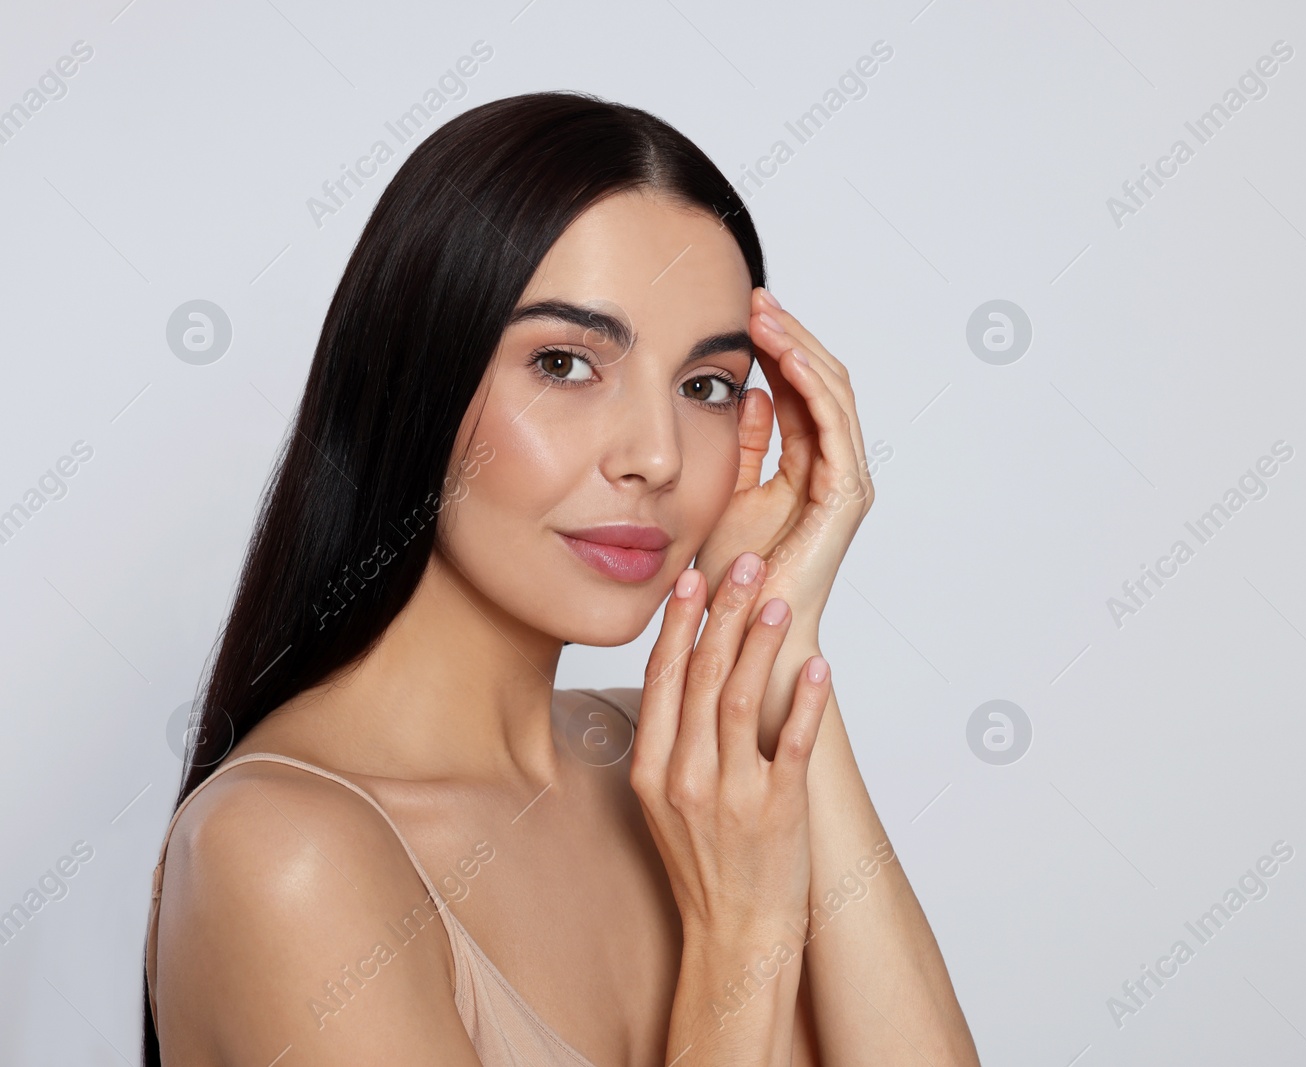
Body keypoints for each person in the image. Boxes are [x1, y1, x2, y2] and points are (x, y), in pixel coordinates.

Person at [142, 91, 979, 1066]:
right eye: (566, 362)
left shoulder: (684, 772)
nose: (656, 456)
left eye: (705, 385)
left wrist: (773, 632)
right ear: (414, 375)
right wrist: (740, 942)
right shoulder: (285, 855)